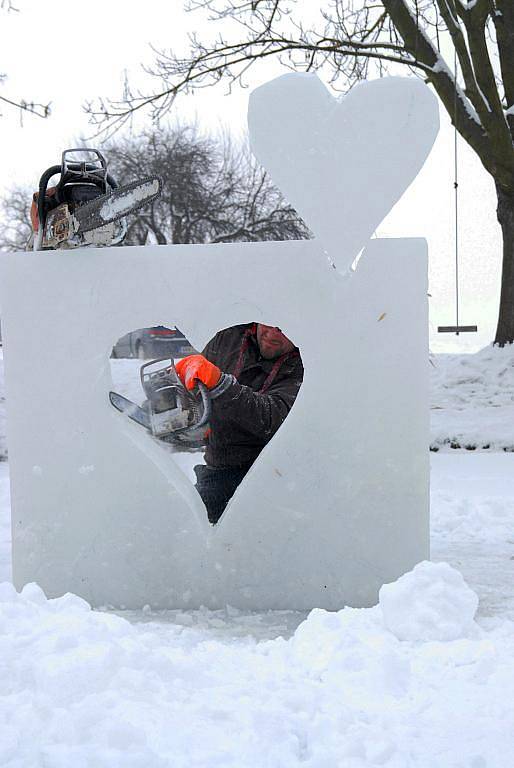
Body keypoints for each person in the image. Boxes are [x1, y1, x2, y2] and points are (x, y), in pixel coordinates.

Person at [175, 323, 303, 524]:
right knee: (187, 522)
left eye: (283, 329)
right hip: (220, 466)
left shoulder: (304, 366)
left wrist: (221, 386)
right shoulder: (228, 338)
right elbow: (195, 391)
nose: (272, 334)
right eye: (269, 325)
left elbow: (272, 417)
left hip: (275, 474)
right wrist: (180, 401)